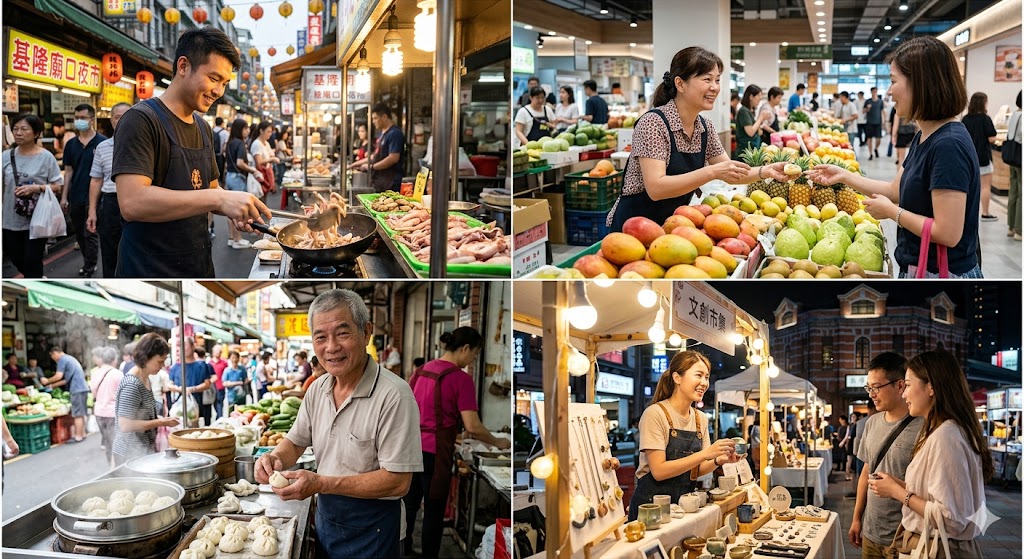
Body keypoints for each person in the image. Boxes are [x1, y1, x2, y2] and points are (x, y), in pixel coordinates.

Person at [254, 289, 422, 558]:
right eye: (320, 337)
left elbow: (398, 481)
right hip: (328, 522)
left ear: (366, 332)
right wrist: (274, 458)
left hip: (375, 531)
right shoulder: (317, 388)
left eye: (343, 333)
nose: (331, 347)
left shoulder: (394, 395)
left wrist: (320, 483)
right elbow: (296, 441)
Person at [808, 37, 982, 278]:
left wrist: (893, 213)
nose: (889, 92)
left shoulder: (948, 145)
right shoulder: (925, 135)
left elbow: (948, 233)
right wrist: (844, 176)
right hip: (919, 267)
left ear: (921, 84)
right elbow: (895, 190)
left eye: (892, 81)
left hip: (941, 275)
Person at [112, 27, 270, 278]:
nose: (219, 91)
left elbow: (211, 188)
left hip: (197, 262)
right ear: (183, 66)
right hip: (149, 268)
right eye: (214, 78)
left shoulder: (203, 128)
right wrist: (218, 200)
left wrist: (235, 203)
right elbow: (133, 202)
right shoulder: (140, 120)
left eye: (225, 83)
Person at [605, 49, 790, 231]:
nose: (715, 87)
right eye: (707, 79)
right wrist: (712, 171)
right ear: (680, 84)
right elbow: (656, 188)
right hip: (633, 229)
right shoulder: (653, 123)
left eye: (717, 80)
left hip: (672, 227)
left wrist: (766, 171)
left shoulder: (705, 127)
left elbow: (731, 172)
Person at [869, 351, 993, 559]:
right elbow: (938, 496)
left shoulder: (946, 436)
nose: (904, 394)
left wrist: (898, 492)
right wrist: (897, 485)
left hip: (939, 548)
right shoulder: (943, 431)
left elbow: (951, 518)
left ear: (931, 387)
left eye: (908, 385)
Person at [404, 328, 511, 557]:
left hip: (409, 449)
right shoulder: (461, 379)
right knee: (433, 511)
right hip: (435, 455)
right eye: (475, 354)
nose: (473, 360)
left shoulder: (420, 372)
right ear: (465, 349)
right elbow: (472, 425)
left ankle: (403, 551)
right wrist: (498, 442)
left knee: (408, 505)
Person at [629, 350, 740, 521]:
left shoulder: (700, 418)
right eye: (698, 375)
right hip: (650, 510)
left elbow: (695, 471)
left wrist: (718, 461)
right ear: (677, 378)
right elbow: (658, 471)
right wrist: (705, 454)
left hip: (683, 508)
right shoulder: (655, 414)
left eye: (707, 377)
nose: (704, 383)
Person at [849, 353, 925, 559]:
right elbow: (866, 472)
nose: (872, 394)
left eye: (876, 387)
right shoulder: (872, 423)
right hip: (871, 532)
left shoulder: (923, 427)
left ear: (900, 386)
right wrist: (856, 518)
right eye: (869, 388)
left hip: (905, 535)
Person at [2, 114, 64, 278]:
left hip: (38, 219)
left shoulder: (46, 157)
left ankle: (35, 280)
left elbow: (58, 186)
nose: (18, 133)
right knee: (16, 258)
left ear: (36, 133)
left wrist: (37, 188)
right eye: (15, 129)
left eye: (24, 129)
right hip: (10, 219)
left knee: (32, 259)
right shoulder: (5, 157)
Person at [112, 333, 179, 464]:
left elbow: (143, 415)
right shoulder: (132, 384)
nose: (163, 365)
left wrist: (162, 419)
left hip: (143, 449)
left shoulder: (145, 378)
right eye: (160, 361)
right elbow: (125, 425)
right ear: (146, 357)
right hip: (128, 452)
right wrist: (161, 422)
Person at [60, 104, 106, 277]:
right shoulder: (71, 144)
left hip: (96, 196)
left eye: (83, 118)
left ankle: (90, 266)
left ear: (92, 120)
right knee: (79, 233)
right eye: (77, 118)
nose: (79, 121)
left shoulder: (102, 143)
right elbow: (68, 172)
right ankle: (89, 262)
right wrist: (64, 197)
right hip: (76, 195)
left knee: (90, 232)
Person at [86, 102, 131, 279]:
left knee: (136, 250)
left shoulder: (146, 144)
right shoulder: (102, 147)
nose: (121, 121)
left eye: (126, 116)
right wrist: (92, 211)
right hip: (111, 203)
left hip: (138, 201)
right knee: (110, 251)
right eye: (117, 117)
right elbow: (96, 179)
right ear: (111, 120)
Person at [348, 103, 405, 192]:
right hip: (380, 181)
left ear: (384, 117)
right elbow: (374, 156)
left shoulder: (394, 133)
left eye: (375, 118)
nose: (373, 121)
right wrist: (355, 164)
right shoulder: (382, 134)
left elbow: (393, 158)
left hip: (390, 183)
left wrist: (372, 167)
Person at [961, 92, 999, 222]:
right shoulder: (985, 119)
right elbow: (992, 138)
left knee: (968, 187)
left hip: (967, 158)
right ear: (983, 103)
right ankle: (985, 213)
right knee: (985, 186)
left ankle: (966, 213)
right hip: (983, 157)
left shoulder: (965, 119)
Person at [221, 118, 258, 249]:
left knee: (229, 210)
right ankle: (238, 240)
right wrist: (253, 170)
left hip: (229, 176)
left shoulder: (230, 142)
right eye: (245, 128)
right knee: (238, 210)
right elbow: (240, 163)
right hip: (238, 178)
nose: (248, 131)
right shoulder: (240, 143)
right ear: (240, 129)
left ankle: (231, 238)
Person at [41, 347, 89, 442]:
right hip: (83, 388)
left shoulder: (62, 360)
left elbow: (59, 376)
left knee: (77, 414)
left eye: (52, 356)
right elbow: (66, 380)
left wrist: (47, 381)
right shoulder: (69, 359)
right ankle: (82, 433)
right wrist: (52, 386)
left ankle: (78, 436)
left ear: (55, 353)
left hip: (76, 389)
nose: (53, 359)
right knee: (81, 413)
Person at [88, 346, 123, 468]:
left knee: (108, 442)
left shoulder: (95, 373)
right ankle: (116, 467)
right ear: (114, 360)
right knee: (116, 442)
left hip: (99, 412)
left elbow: (93, 394)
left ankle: (111, 465)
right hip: (113, 413)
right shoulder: (118, 374)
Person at [167, 337, 213, 427]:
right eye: (179, 346)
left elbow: (207, 384)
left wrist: (192, 389)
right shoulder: (175, 367)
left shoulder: (202, 366)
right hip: (178, 408)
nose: (182, 348)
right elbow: (169, 384)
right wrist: (180, 389)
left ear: (193, 347)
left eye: (184, 345)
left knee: (194, 430)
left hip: (196, 407)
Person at [735, 84, 769, 157]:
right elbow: (750, 132)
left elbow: (759, 132)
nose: (760, 99)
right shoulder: (744, 111)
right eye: (758, 96)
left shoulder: (750, 111)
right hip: (745, 153)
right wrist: (761, 118)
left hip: (752, 151)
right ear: (751, 97)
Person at [249, 121, 279, 199]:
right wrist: (272, 159)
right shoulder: (257, 144)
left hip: (266, 175)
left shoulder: (266, 143)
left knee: (264, 198)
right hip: (260, 176)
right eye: (268, 132)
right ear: (261, 131)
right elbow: (258, 162)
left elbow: (270, 154)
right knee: (260, 199)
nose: (270, 134)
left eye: (271, 132)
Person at [1007, 91, 1022, 241]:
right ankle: (1019, 230)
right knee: (1021, 193)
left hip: (1012, 157)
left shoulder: (1014, 115)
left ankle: (1011, 226)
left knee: (1013, 191)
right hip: (1020, 157)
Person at [891, 104, 917, 168]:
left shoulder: (898, 113)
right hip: (911, 134)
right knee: (912, 157)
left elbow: (895, 126)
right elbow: (917, 125)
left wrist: (893, 136)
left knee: (901, 158)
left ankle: (899, 173)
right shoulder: (913, 112)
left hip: (901, 135)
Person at [209, 344, 228, 420]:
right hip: (212, 388)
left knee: (219, 405)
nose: (218, 353)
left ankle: (220, 419)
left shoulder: (224, 363)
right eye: (216, 351)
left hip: (221, 387)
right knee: (214, 406)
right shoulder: (209, 363)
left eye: (220, 351)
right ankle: (219, 419)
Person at [864, 87, 884, 160]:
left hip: (878, 122)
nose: (874, 93)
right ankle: (870, 154)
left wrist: (883, 121)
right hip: (869, 122)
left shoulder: (880, 101)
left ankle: (876, 148)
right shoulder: (868, 101)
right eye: (873, 92)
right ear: (871, 92)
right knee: (869, 138)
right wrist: (867, 108)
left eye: (875, 91)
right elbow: (863, 111)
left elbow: (882, 111)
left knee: (878, 139)